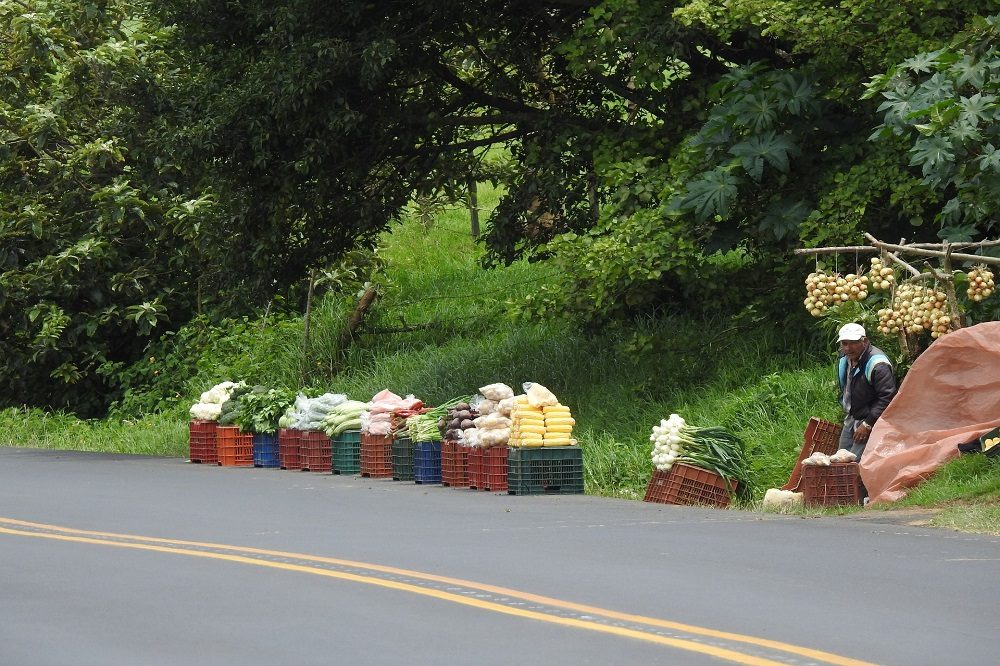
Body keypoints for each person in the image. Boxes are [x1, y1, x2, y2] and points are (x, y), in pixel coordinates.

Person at [836, 323, 897, 461]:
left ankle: (860, 483)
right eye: (844, 343)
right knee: (840, 461)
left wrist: (867, 424)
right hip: (852, 418)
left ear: (864, 341)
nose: (847, 348)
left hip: (870, 421)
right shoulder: (846, 358)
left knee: (854, 464)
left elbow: (888, 397)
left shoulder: (878, 364)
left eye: (853, 343)